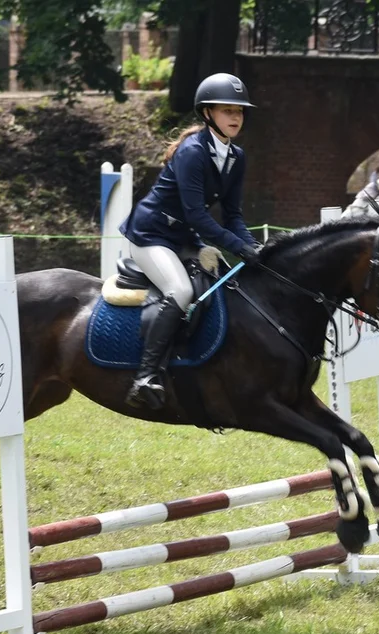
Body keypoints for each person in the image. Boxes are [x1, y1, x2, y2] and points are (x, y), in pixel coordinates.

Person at [119, 72, 260, 410]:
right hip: (150, 235)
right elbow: (197, 214)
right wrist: (236, 246)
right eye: (227, 111)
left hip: (183, 238)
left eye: (239, 111)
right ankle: (146, 376)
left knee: (227, 284)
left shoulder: (237, 158)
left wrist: (254, 248)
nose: (235, 118)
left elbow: (233, 215)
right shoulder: (192, 152)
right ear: (207, 113)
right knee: (180, 291)